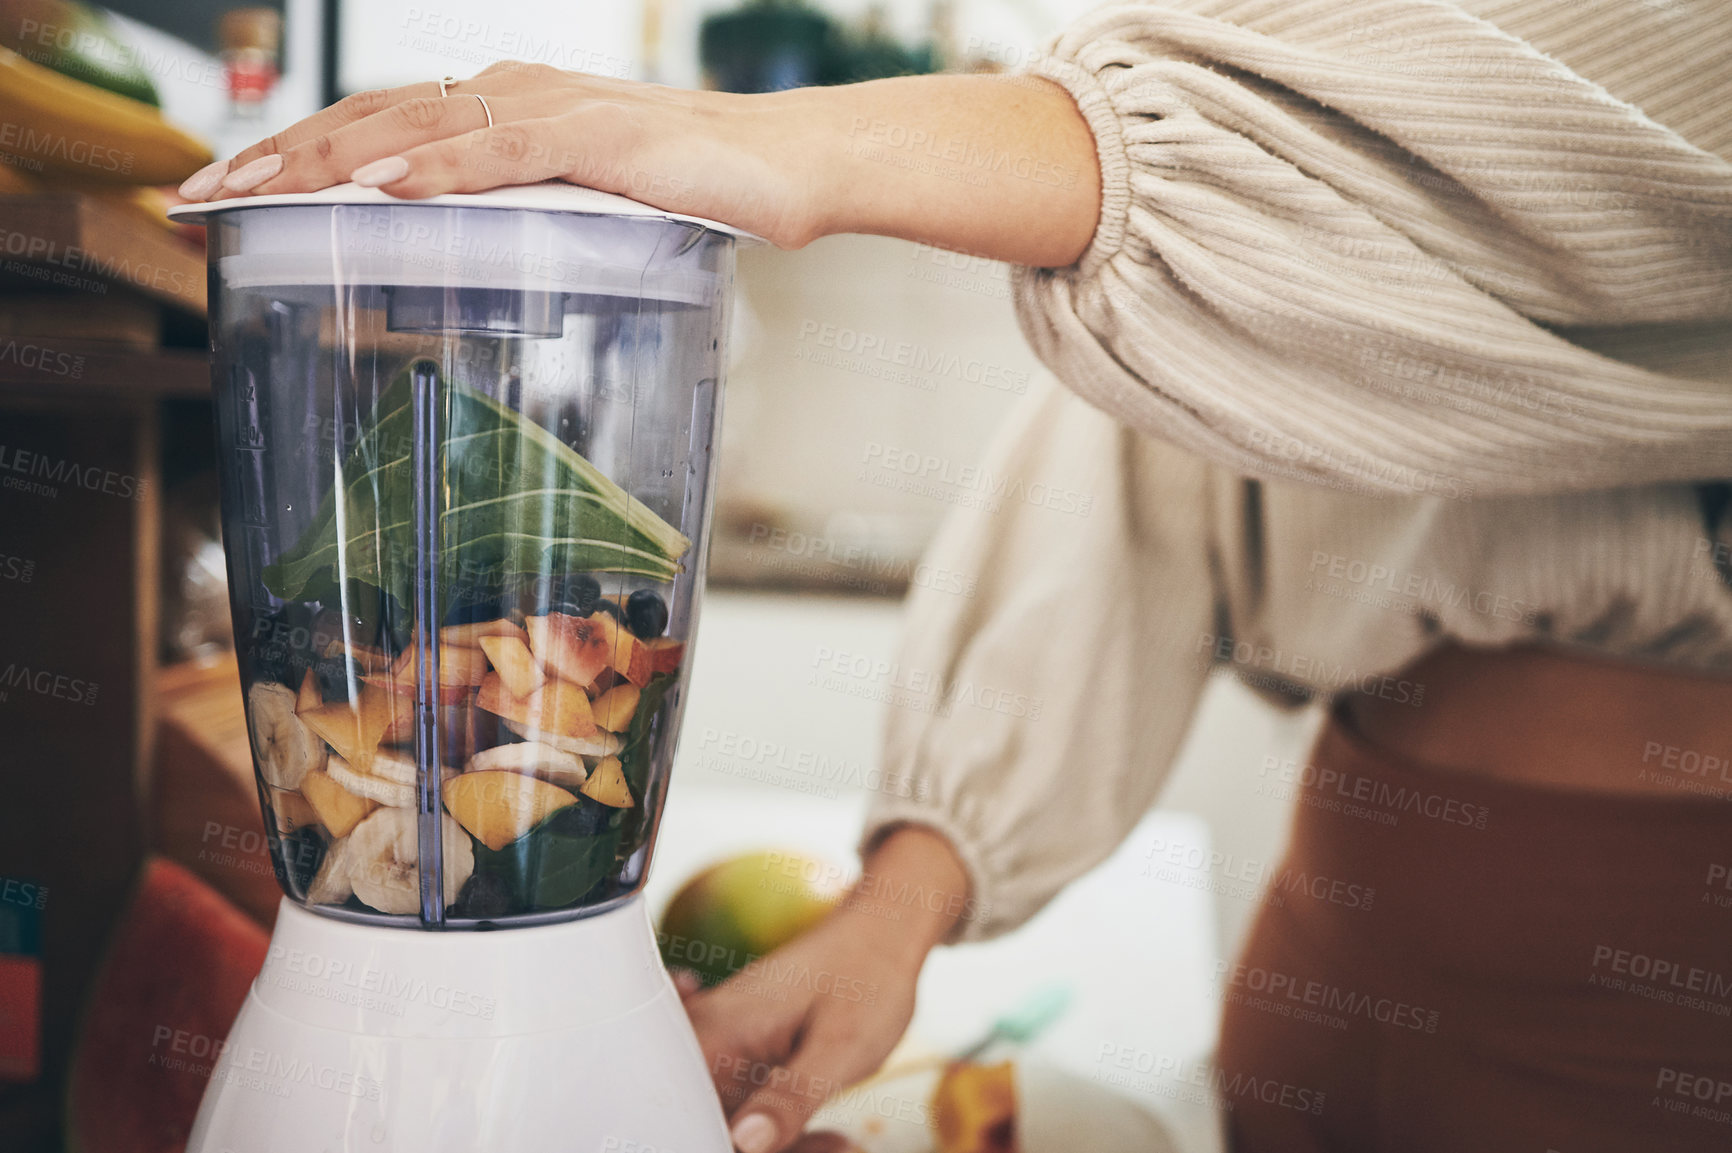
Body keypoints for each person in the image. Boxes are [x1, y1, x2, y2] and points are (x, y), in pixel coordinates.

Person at [180, 1, 1732, 1150]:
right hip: (1343, 928)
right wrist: (905, 901)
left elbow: (1524, 153)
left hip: (1650, 995)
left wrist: (775, 145)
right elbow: (1157, 448)